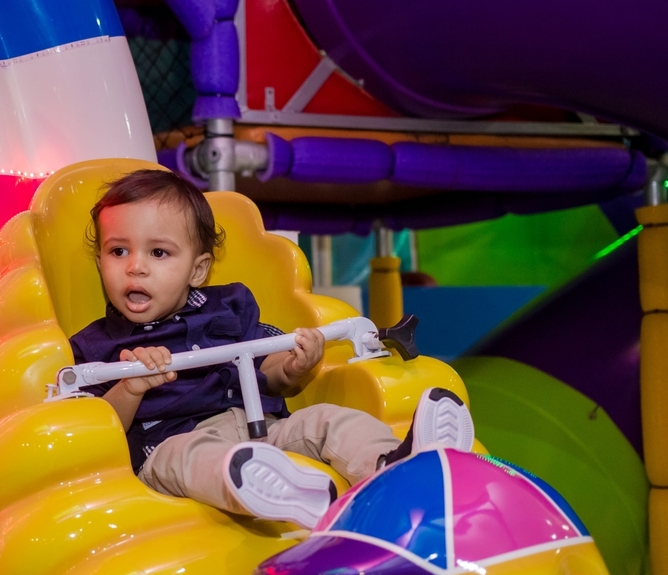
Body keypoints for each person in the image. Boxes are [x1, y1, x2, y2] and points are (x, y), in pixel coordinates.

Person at [68, 169, 473, 528]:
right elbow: (99, 431)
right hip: (171, 445)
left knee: (327, 420)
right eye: (118, 251)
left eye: (158, 253)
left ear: (198, 269)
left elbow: (270, 371)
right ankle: (267, 489)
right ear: (101, 259)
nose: (135, 266)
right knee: (186, 455)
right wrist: (132, 387)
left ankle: (396, 463)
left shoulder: (227, 308)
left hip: (260, 427)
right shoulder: (98, 345)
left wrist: (295, 366)